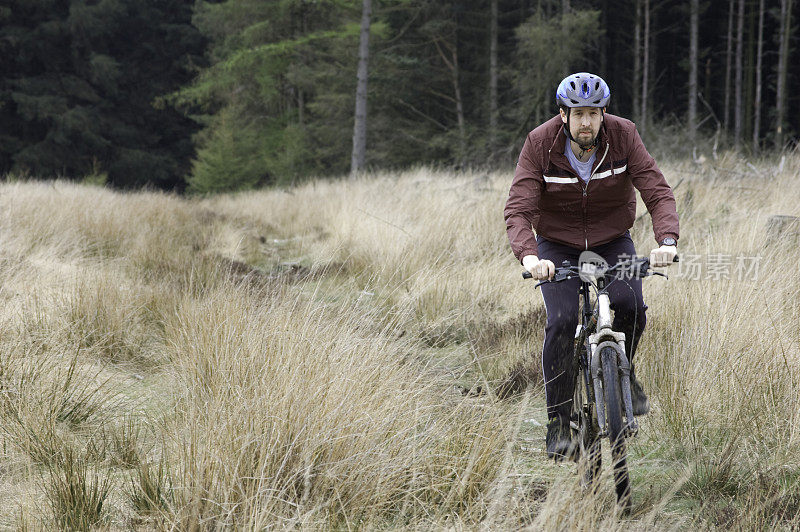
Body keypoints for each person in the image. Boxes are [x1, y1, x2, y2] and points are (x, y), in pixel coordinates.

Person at [503, 72, 679, 460]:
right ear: (563, 114)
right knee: (563, 320)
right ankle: (559, 422)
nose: (587, 122)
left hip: (613, 240)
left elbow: (657, 190)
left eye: (594, 114)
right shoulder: (539, 143)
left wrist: (666, 241)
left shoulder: (624, 135)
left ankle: (622, 375)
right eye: (578, 113)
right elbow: (519, 209)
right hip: (557, 246)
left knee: (631, 305)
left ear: (604, 114)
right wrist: (531, 257)